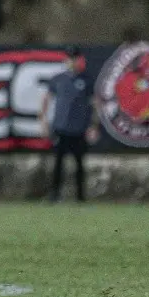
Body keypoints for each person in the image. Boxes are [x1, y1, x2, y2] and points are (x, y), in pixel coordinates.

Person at [39, 47, 100, 202]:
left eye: (74, 58)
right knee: (58, 164)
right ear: (65, 60)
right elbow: (46, 100)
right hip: (61, 128)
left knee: (79, 164)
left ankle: (80, 196)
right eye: (69, 58)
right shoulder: (58, 79)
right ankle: (55, 195)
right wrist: (43, 121)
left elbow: (95, 104)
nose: (72, 62)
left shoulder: (86, 80)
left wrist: (94, 125)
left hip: (79, 129)